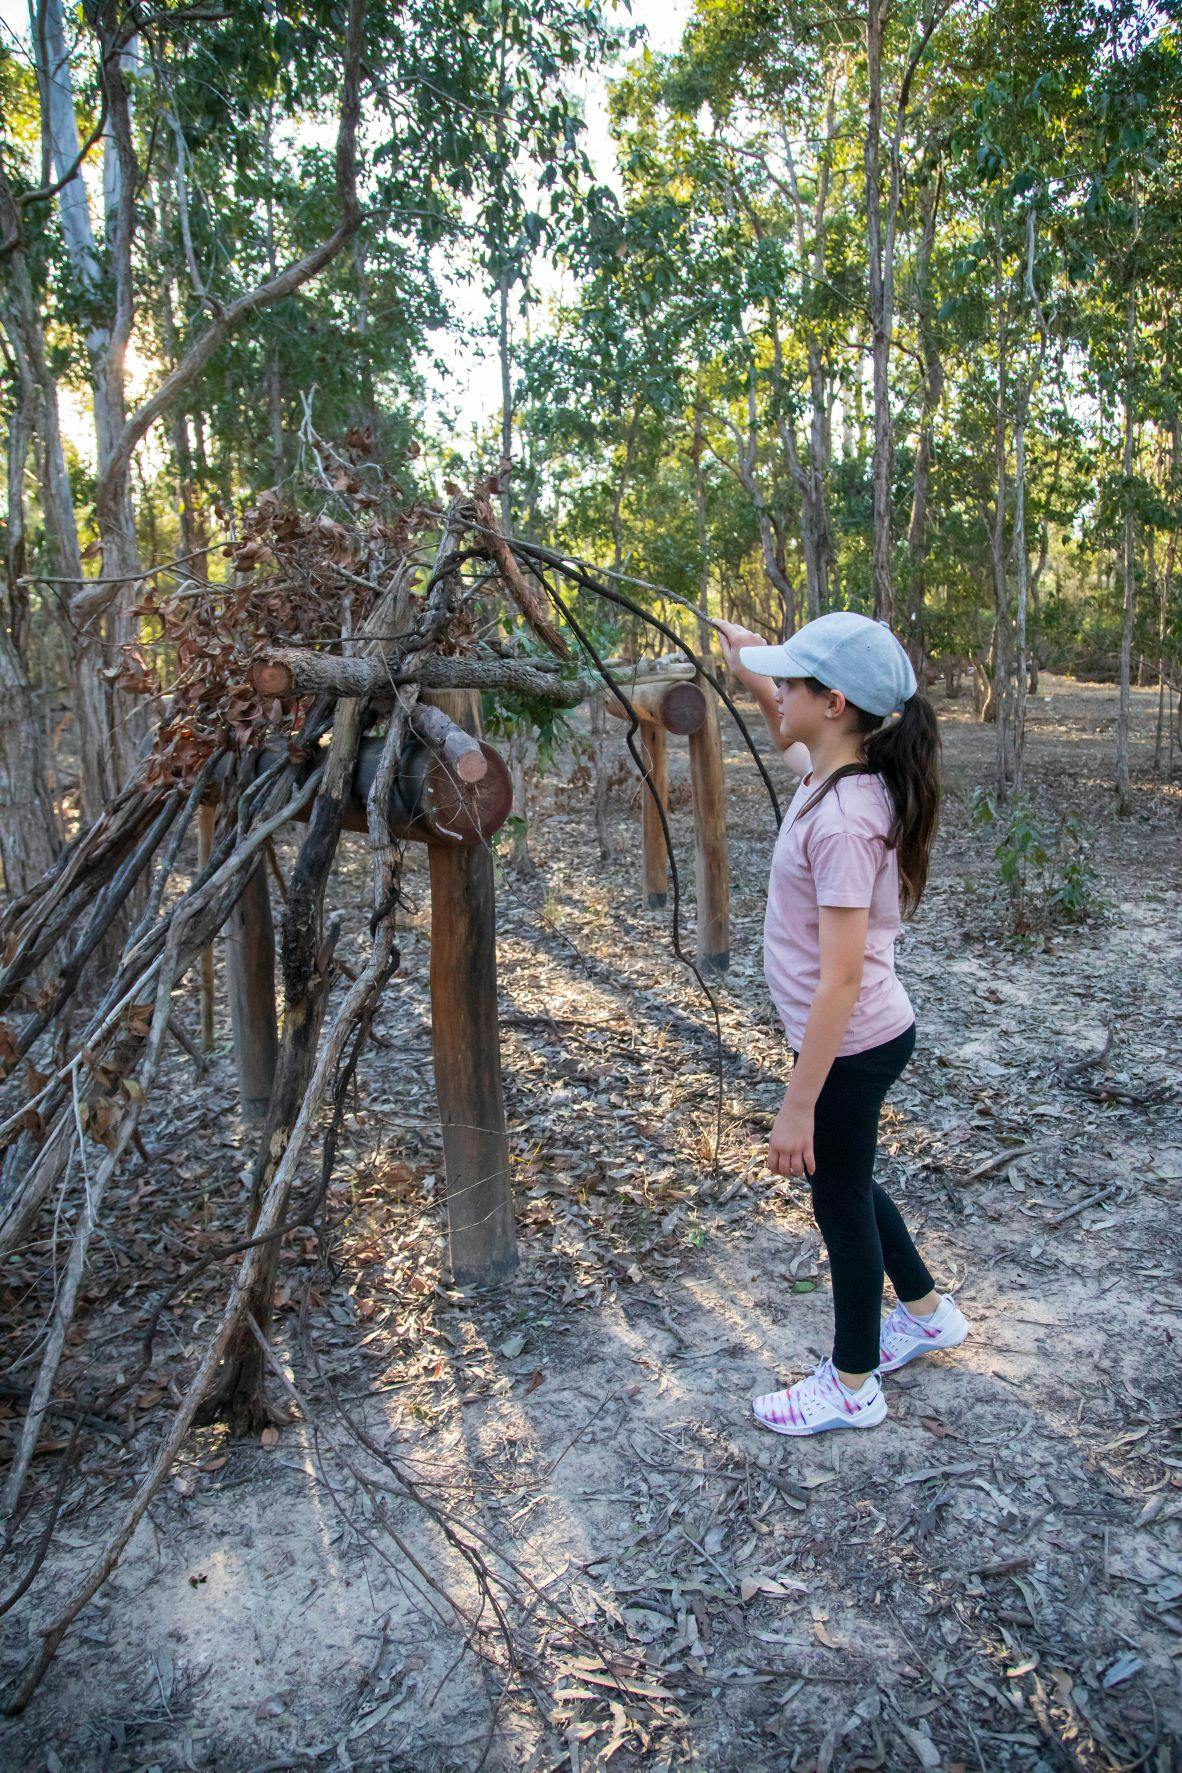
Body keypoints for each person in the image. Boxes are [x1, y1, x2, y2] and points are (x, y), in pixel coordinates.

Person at [715, 611, 968, 1436]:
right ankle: (927, 1314)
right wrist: (750, 659)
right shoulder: (832, 775)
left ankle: (853, 1382)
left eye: (793, 682)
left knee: (839, 1202)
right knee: (850, 1183)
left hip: (852, 1041)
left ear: (834, 703)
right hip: (860, 1038)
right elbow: (778, 713)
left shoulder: (846, 817)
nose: (776, 694)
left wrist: (797, 1103)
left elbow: (844, 976)